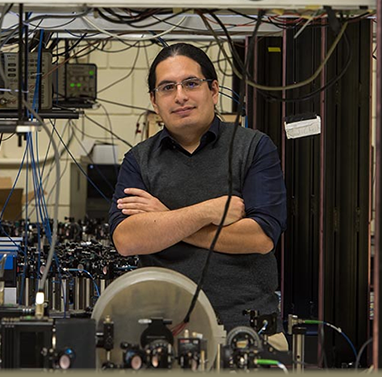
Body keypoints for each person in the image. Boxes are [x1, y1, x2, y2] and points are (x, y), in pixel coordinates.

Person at [107, 43, 288, 331]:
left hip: (246, 331)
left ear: (214, 90)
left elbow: (260, 237)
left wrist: (164, 219)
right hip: (163, 334)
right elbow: (127, 241)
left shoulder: (253, 147)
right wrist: (207, 211)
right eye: (167, 88)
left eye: (191, 83)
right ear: (154, 101)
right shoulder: (139, 160)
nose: (180, 96)